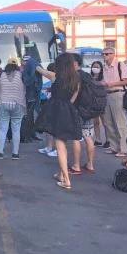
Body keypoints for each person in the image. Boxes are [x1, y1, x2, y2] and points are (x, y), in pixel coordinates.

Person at [36, 53, 83, 190]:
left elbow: (40, 70)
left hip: (56, 111)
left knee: (60, 146)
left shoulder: (55, 76)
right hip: (69, 111)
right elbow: (73, 98)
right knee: (63, 145)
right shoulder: (76, 79)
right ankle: (61, 174)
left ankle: (66, 179)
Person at [101, 48, 127, 157]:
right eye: (103, 54)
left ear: (113, 54)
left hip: (118, 93)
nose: (105, 56)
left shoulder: (120, 65)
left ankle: (124, 148)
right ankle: (114, 147)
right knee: (108, 122)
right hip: (107, 95)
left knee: (121, 123)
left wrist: (112, 84)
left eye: (107, 54)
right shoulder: (104, 67)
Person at [69, 54, 96, 175]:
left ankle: (76, 165)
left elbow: (75, 92)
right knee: (88, 137)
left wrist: (69, 105)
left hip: (77, 110)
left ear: (75, 63)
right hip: (88, 110)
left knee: (76, 138)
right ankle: (90, 164)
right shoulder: (87, 75)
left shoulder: (75, 76)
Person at [0, 58, 26, 160]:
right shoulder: (21, 74)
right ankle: (15, 154)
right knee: (16, 130)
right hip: (18, 103)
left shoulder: (1, 74)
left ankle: (0, 152)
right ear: (17, 65)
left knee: (3, 128)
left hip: (2, 103)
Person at [38, 62, 58, 158]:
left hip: (57, 105)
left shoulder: (55, 76)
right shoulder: (56, 78)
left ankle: (57, 149)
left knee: (56, 128)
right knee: (49, 127)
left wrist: (34, 63)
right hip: (52, 104)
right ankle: (49, 147)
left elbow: (42, 71)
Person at [21, 55, 42, 143]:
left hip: (32, 96)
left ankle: (31, 134)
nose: (25, 63)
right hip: (27, 97)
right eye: (24, 61)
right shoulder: (23, 72)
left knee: (31, 117)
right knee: (27, 117)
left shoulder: (29, 71)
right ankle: (26, 136)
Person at [90, 61, 108, 148]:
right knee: (95, 122)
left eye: (97, 67)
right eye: (94, 67)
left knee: (105, 122)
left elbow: (106, 86)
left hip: (102, 102)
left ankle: (108, 140)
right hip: (93, 102)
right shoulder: (90, 77)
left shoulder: (104, 77)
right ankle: (98, 139)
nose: (95, 68)